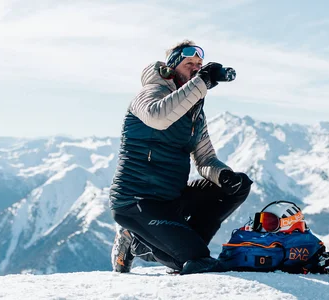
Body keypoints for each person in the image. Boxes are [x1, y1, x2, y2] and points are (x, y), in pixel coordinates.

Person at [108, 40, 253, 275]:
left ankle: (181, 245)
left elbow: (205, 159)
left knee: (239, 185)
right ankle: (136, 239)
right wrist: (202, 82)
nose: (195, 68)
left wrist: (224, 176)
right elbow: (159, 117)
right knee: (195, 262)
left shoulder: (194, 111)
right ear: (173, 66)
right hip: (136, 201)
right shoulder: (149, 93)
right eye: (189, 64)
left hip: (171, 199)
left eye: (199, 65)